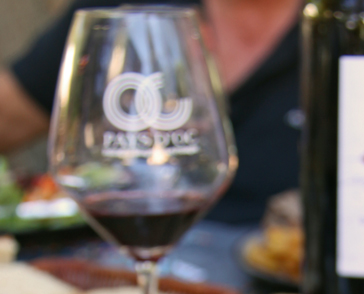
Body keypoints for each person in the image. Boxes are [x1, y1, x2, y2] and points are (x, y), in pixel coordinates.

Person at [0, 0, 303, 224]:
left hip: (291, 287)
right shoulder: (118, 8)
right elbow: (10, 114)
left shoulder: (342, 22)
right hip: (115, 266)